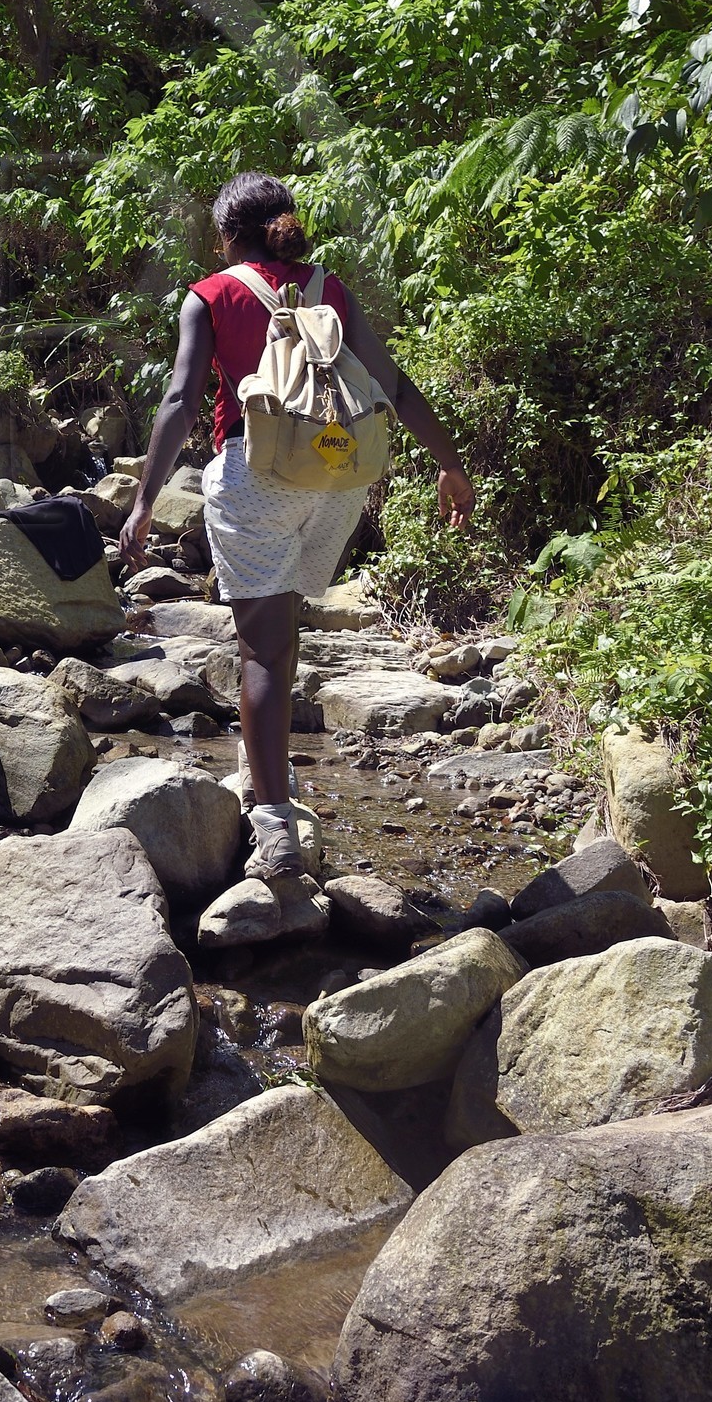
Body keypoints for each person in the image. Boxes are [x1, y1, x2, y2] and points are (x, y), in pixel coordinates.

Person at [119, 173, 473, 882]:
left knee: (261, 651)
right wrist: (451, 464)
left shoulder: (210, 295)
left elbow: (181, 400)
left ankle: (275, 827)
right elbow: (393, 384)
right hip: (337, 476)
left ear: (228, 236)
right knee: (283, 635)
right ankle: (269, 775)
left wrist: (144, 499)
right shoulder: (328, 286)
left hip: (256, 477)